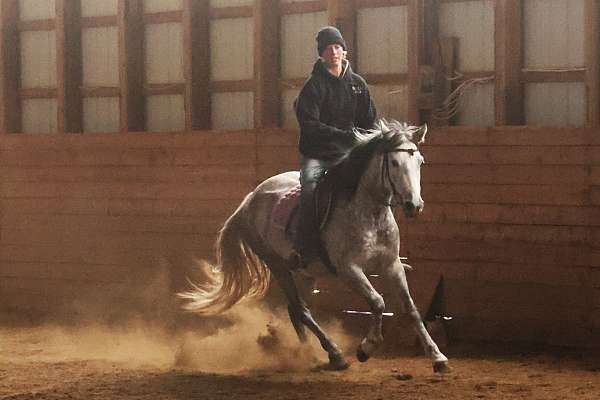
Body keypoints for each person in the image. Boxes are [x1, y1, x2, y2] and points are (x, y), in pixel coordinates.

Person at [293, 26, 377, 267]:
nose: (333, 52)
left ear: (344, 51)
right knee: (309, 189)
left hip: (349, 154)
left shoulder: (358, 85)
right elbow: (310, 125)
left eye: (337, 47)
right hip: (317, 155)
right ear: (321, 54)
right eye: (328, 48)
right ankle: (302, 247)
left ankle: (383, 243)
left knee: (379, 183)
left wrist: (365, 141)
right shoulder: (313, 87)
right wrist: (345, 136)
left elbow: (370, 119)